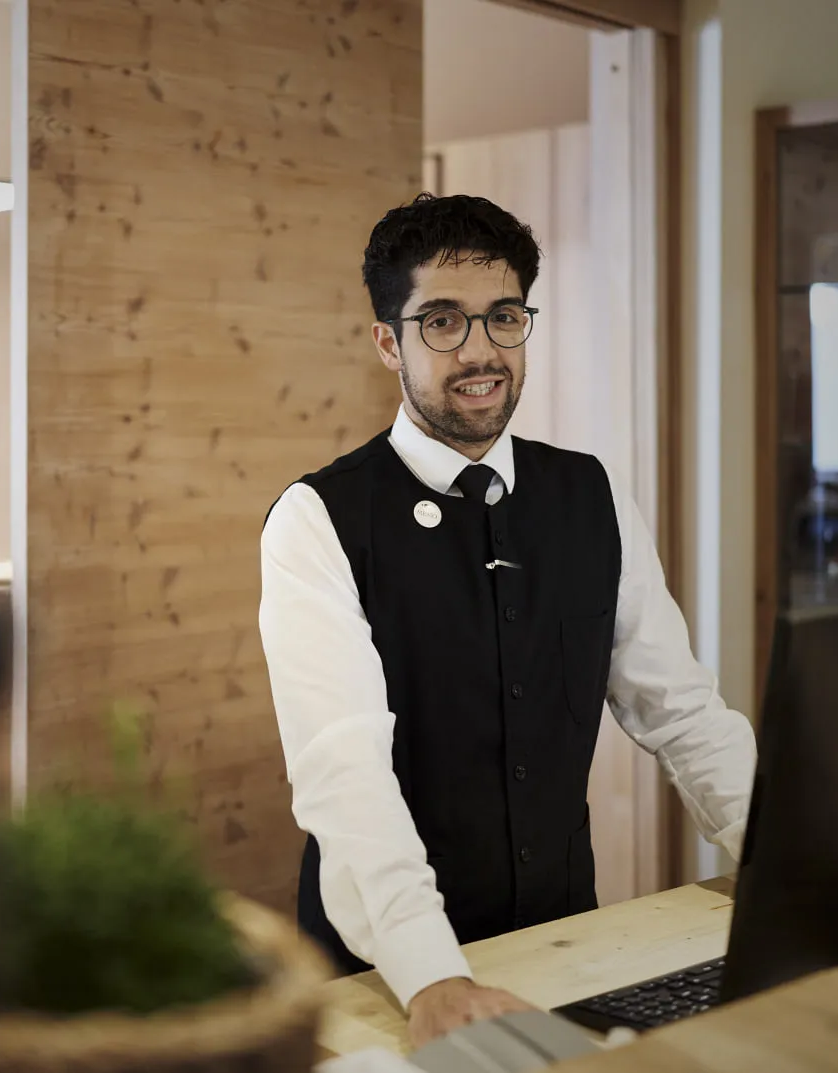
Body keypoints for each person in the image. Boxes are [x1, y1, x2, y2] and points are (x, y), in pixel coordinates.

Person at [258, 193, 756, 1049]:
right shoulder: (317, 519)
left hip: (567, 947)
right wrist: (432, 973)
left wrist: (792, 862)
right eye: (442, 321)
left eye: (502, 318)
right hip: (388, 976)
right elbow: (344, 778)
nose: (480, 350)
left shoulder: (589, 494)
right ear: (389, 341)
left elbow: (680, 710)